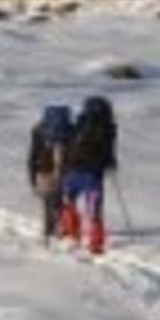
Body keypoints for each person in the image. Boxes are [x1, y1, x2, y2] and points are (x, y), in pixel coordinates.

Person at [59, 96, 118, 254]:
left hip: (72, 172)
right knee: (94, 209)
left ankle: (72, 233)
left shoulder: (79, 123)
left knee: (69, 202)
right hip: (92, 175)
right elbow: (108, 152)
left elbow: (68, 145)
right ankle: (95, 244)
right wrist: (110, 164)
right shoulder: (108, 128)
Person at [27, 105, 72, 247]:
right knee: (59, 197)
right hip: (63, 166)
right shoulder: (70, 129)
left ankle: (48, 231)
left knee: (47, 199)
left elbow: (33, 155)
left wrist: (32, 177)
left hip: (44, 168)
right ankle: (61, 227)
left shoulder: (38, 130)